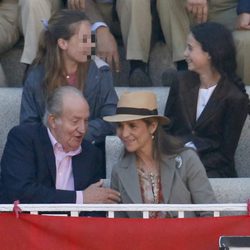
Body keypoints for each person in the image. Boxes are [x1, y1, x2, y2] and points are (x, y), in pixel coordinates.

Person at [20, 9, 117, 176]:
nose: (91, 45)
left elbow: (112, 118)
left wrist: (77, 134)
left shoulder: (100, 72)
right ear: (62, 43)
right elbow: (28, 124)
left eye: (91, 38)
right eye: (84, 40)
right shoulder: (37, 76)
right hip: (48, 156)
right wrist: (56, 139)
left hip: (87, 151)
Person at [0, 86, 121, 207]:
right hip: (26, 225)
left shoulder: (91, 155)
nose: (83, 129)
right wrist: (79, 198)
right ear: (53, 121)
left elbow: (94, 206)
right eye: (75, 121)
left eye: (86, 121)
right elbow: (21, 192)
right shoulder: (24, 139)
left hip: (73, 226)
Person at [104, 91, 216, 218]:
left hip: (185, 237)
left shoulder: (187, 160)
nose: (124, 133)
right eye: (120, 126)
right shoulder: (119, 171)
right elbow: (119, 225)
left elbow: (209, 212)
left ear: (152, 126)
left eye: (132, 126)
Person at [164, 22, 250, 178]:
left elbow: (225, 154)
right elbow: (167, 127)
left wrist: (190, 163)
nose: (184, 53)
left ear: (210, 53)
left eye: (190, 48)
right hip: (174, 161)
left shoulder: (235, 97)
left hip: (212, 170)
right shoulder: (180, 82)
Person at [160, 0, 250, 84]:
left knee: (246, 38)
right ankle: (186, 70)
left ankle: (242, 93)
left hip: (231, 8)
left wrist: (246, 9)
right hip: (189, 7)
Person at [18, 0, 120, 71]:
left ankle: (136, 67)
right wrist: (100, 28)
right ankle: (38, 69)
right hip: (71, 10)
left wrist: (101, 29)